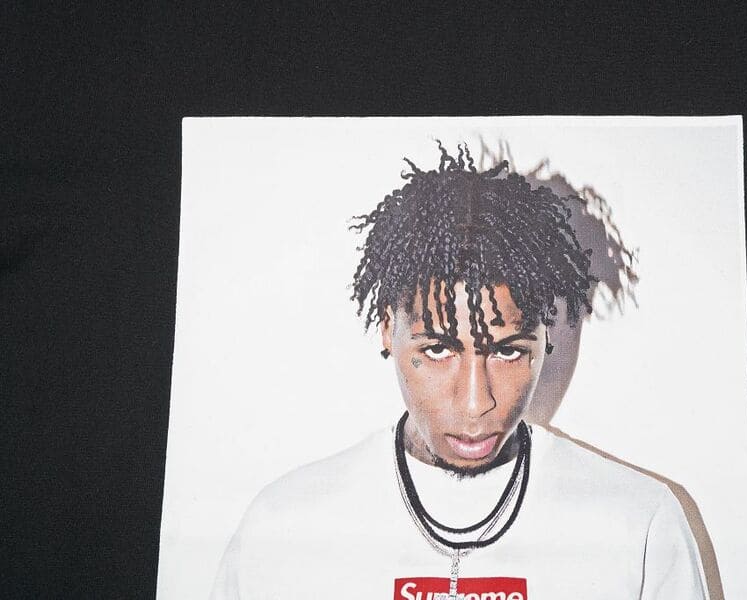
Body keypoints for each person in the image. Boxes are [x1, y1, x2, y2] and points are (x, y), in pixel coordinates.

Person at [210, 143, 709, 599]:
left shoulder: (639, 526)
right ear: (386, 329)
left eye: (508, 352)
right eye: (438, 350)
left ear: (545, 338)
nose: (476, 403)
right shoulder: (284, 530)